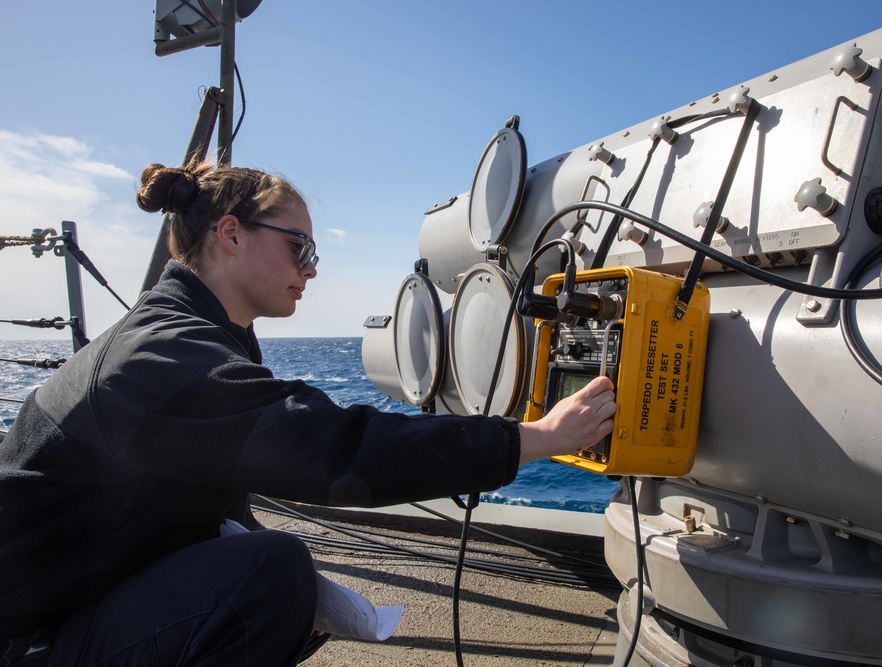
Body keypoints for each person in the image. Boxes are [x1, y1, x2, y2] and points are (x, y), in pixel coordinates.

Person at [0, 161, 617, 666]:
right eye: (300, 247)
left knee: (280, 590)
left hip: (70, 602)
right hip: (28, 638)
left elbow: (211, 501)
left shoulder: (198, 337)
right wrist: (532, 439)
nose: (312, 269)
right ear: (232, 234)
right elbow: (333, 449)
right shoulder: (162, 356)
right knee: (272, 574)